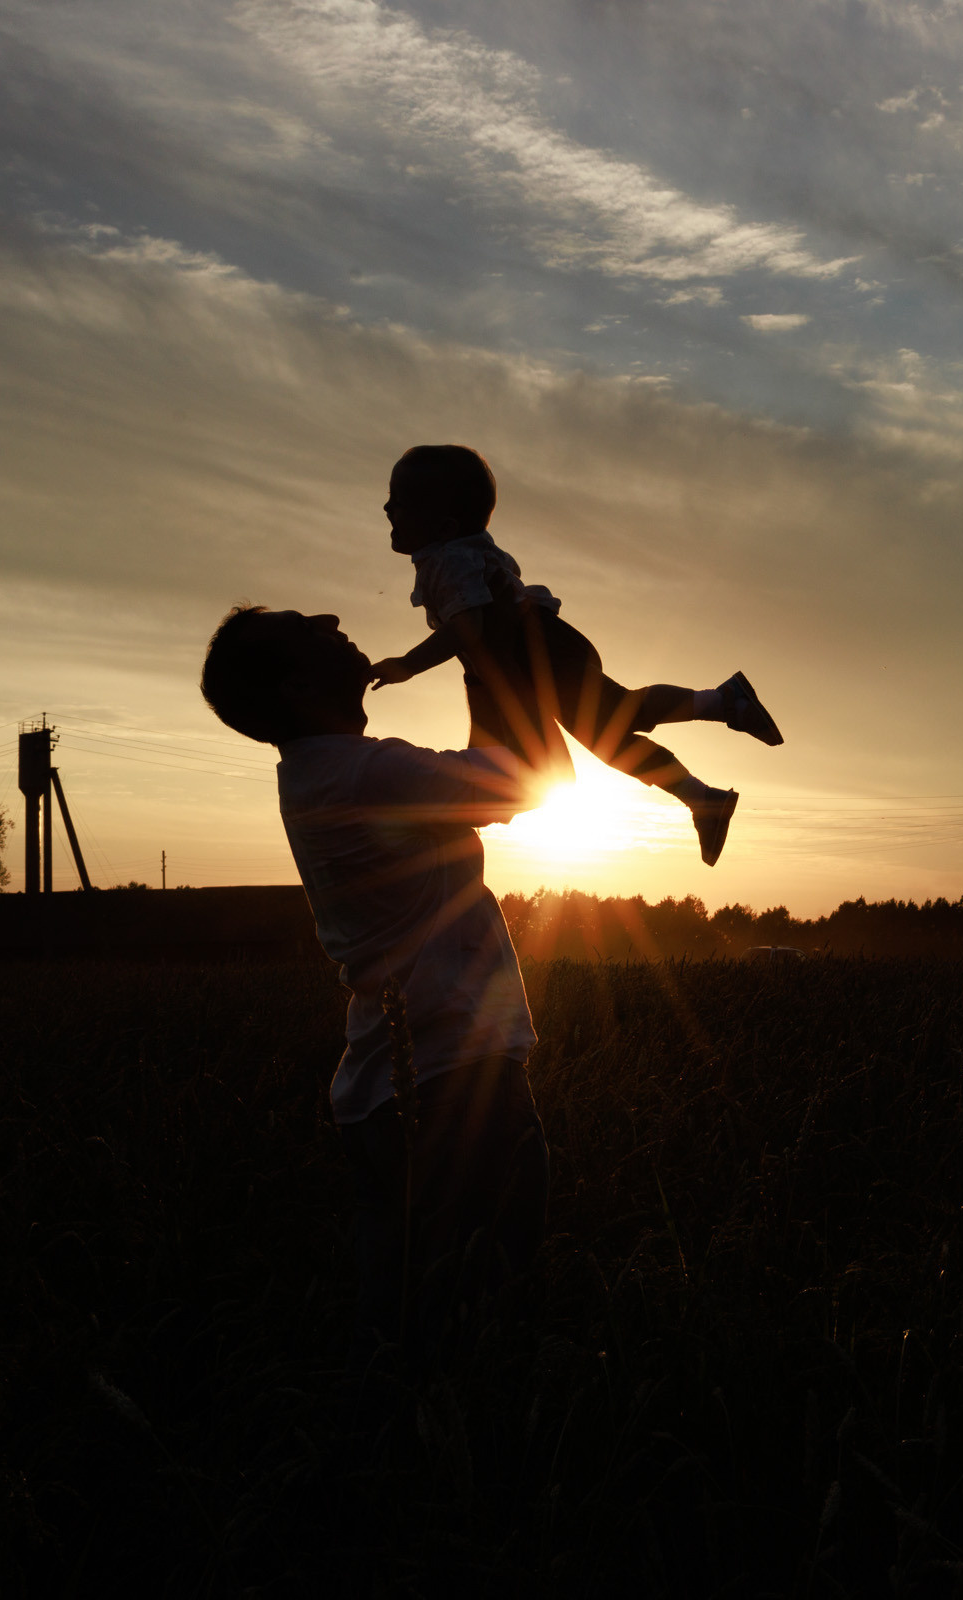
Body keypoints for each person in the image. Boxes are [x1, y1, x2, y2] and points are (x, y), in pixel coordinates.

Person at [200, 604, 550, 1360]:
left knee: (402, 1316)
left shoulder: (321, 775)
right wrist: (493, 651)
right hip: (453, 1083)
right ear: (298, 685)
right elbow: (526, 782)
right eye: (308, 627)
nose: (332, 618)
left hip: (383, 1089)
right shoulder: (367, 771)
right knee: (483, 1318)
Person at [368, 444, 784, 866]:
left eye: (400, 501)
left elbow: (468, 631)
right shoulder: (449, 556)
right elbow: (479, 651)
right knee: (610, 738)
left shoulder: (448, 562)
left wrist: (408, 665)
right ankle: (702, 798)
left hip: (543, 653)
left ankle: (723, 702)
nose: (387, 508)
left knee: (622, 712)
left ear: (445, 524)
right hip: (536, 656)